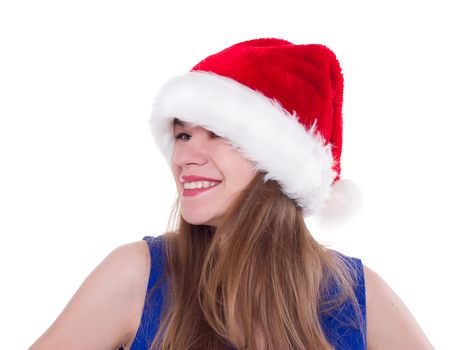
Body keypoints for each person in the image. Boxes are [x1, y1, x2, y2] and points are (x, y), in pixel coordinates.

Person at [28, 38, 434, 350]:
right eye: (183, 134)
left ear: (276, 161)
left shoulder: (356, 295)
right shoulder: (138, 276)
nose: (185, 155)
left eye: (218, 134)